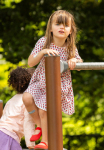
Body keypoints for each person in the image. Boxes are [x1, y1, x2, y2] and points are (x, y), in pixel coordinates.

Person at [22, 10, 82, 150]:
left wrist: (74, 60)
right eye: (58, 24)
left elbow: (79, 63)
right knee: (26, 98)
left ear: (71, 30)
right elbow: (31, 62)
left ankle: (45, 142)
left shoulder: (70, 46)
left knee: (44, 110)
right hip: (41, 81)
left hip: (57, 85)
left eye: (66, 25)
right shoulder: (43, 42)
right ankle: (40, 125)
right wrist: (42, 52)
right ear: (50, 28)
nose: (62, 27)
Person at [0, 67, 36, 150]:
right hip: (8, 135)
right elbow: (28, 122)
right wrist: (31, 144)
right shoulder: (27, 101)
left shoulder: (11, 100)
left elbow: (4, 116)